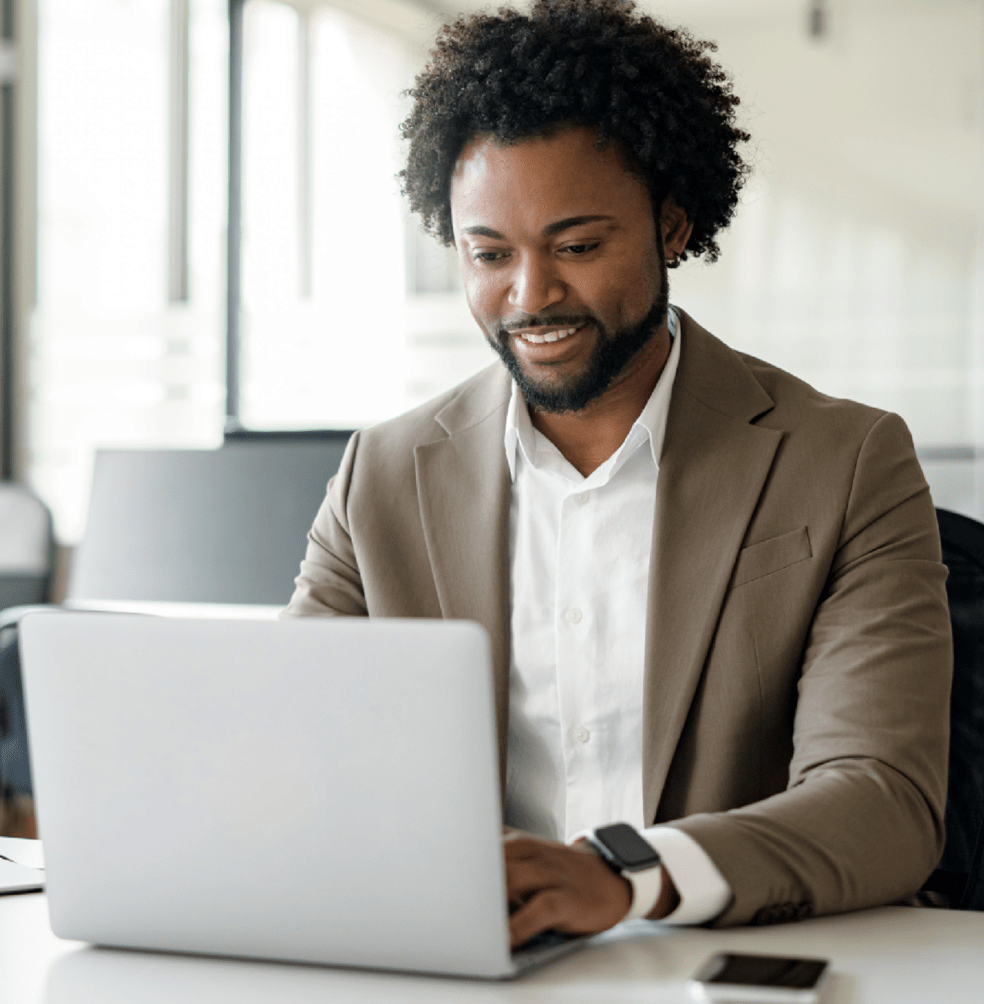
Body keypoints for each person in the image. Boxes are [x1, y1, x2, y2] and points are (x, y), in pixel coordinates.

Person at [283, 0, 952, 945]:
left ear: (672, 227)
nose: (530, 295)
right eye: (489, 254)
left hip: (713, 954)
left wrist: (622, 878)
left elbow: (884, 803)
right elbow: (280, 746)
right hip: (462, 959)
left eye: (578, 246)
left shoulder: (845, 464)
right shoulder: (383, 474)